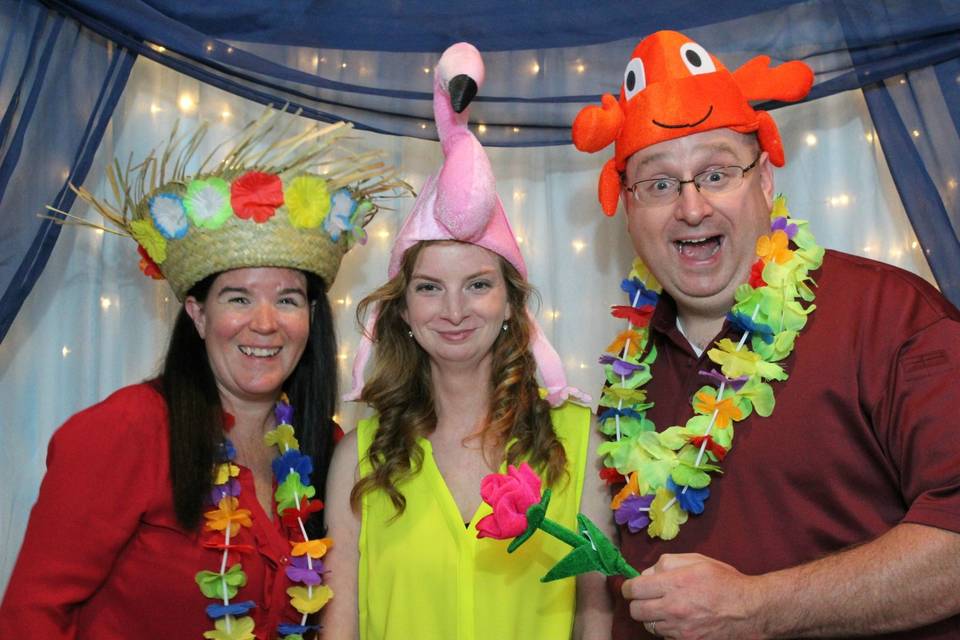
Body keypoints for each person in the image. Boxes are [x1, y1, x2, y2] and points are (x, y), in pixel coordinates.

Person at [572, 30, 960, 639]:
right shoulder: (627, 375)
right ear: (626, 207)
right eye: (659, 183)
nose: (692, 207)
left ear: (765, 181)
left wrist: (759, 607)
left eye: (717, 173)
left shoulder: (891, 317)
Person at [0, 110, 405, 639]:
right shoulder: (124, 431)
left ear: (311, 319)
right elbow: (30, 617)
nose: (265, 323)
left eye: (287, 299)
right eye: (238, 298)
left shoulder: (322, 448)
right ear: (197, 313)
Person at [321, 42, 614, 640]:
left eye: (477, 284)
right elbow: (341, 617)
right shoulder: (359, 457)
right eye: (430, 287)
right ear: (402, 310)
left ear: (509, 302)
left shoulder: (579, 443)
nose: (454, 310)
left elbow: (594, 613)